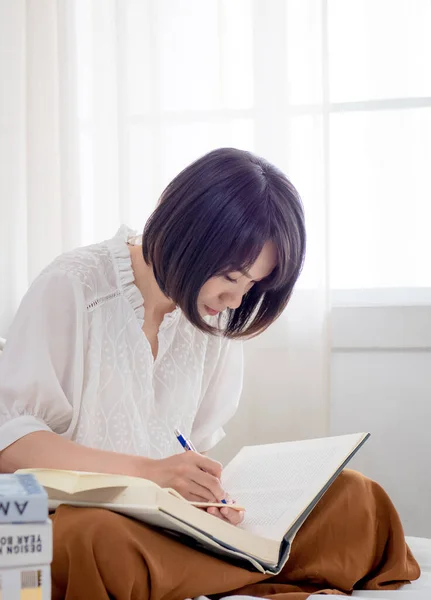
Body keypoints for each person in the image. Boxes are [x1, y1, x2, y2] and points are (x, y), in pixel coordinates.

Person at [0, 148, 419, 599]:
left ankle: (211, 567)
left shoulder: (212, 318)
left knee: (355, 499)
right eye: (231, 276)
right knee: (94, 539)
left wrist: (207, 496)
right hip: (77, 517)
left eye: (253, 285)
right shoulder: (74, 285)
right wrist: (150, 473)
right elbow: (12, 444)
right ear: (186, 236)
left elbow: (187, 450)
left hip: (165, 523)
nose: (236, 300)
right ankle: (239, 569)